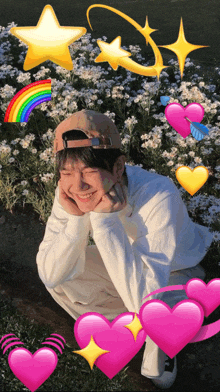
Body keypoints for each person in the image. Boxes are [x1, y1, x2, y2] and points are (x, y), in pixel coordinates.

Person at [36, 109, 213, 389]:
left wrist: (106, 224)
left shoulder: (158, 194)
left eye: (90, 172)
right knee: (62, 275)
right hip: (126, 267)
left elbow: (147, 302)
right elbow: (49, 274)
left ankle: (162, 344)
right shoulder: (69, 192)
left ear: (118, 167)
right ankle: (128, 333)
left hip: (175, 272)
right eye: (67, 172)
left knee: (156, 369)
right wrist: (75, 220)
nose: (78, 185)